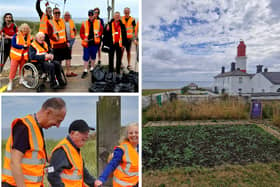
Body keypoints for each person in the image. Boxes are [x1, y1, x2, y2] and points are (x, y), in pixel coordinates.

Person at [2, 97, 66, 187]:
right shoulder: (24, 127)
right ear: (48, 112)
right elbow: (14, 162)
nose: (58, 125)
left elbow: (35, 158)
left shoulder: (37, 128)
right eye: (58, 121)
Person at [47, 120, 96, 186]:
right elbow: (52, 176)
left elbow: (81, 171)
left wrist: (94, 183)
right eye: (83, 133)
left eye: (87, 133)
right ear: (72, 133)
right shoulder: (62, 150)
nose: (87, 136)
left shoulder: (74, 148)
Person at [7, 23, 32, 91]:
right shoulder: (16, 35)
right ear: (21, 28)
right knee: (13, 69)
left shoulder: (29, 36)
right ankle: (10, 82)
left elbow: (31, 44)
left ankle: (21, 79)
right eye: (24, 28)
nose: (25, 30)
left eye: (26, 29)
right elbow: (13, 44)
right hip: (15, 55)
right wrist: (22, 47)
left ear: (28, 30)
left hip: (23, 56)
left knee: (22, 69)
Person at [80, 9, 103, 79]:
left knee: (93, 56)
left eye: (92, 15)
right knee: (86, 57)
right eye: (89, 15)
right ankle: (85, 70)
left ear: (94, 15)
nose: (91, 16)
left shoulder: (98, 22)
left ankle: (92, 68)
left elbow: (101, 30)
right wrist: (84, 38)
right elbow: (81, 33)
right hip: (87, 43)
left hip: (94, 42)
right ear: (88, 15)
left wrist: (98, 34)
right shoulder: (84, 23)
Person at [105, 11, 127, 79]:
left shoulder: (122, 25)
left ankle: (117, 72)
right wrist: (106, 28)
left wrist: (123, 45)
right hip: (112, 44)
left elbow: (124, 36)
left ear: (119, 17)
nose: (117, 17)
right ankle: (111, 71)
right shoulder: (110, 24)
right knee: (110, 58)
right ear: (114, 17)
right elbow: (105, 34)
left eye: (118, 16)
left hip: (119, 44)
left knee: (119, 59)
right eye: (116, 16)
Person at [63, 11, 77, 77]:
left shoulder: (71, 22)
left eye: (68, 15)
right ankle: (62, 72)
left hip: (71, 40)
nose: (67, 16)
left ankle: (68, 72)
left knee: (68, 56)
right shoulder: (61, 22)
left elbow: (75, 30)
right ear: (64, 16)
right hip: (63, 41)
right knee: (62, 56)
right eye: (66, 15)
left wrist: (74, 36)